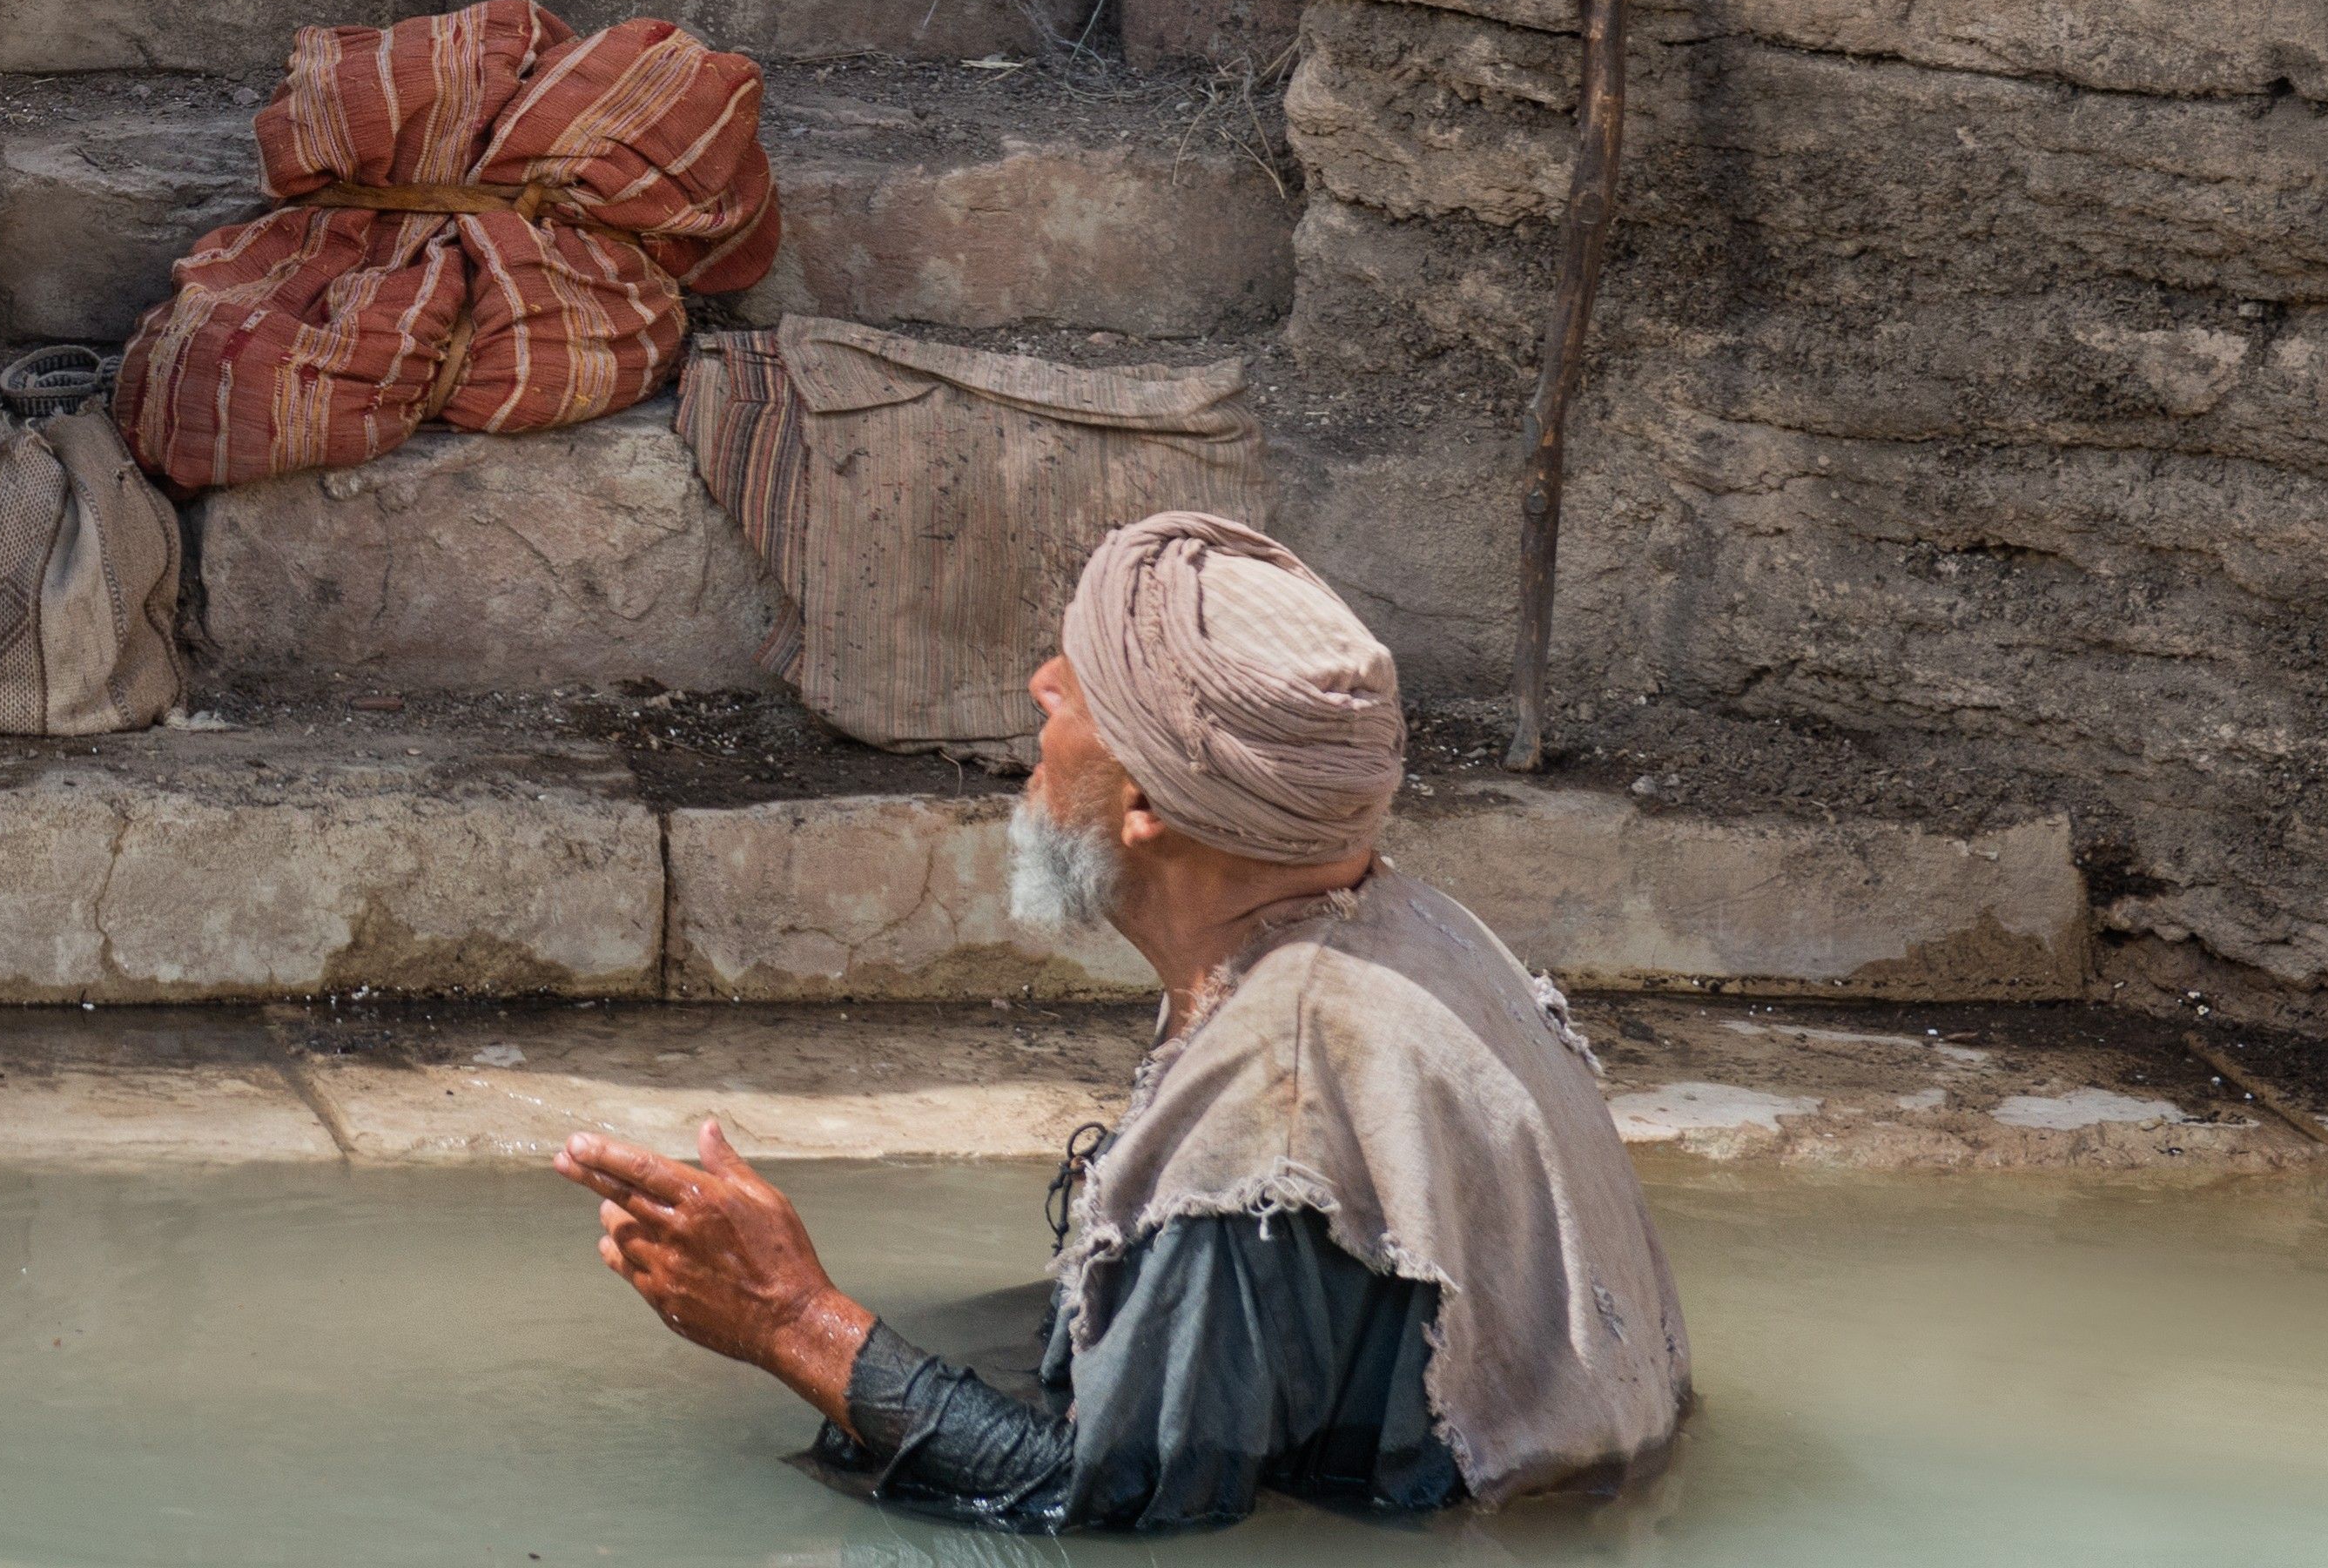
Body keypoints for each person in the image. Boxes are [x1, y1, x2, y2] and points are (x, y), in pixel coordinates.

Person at [565, 512, 1693, 1528]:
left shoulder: (1280, 1097)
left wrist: (790, 1321)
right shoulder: (1411, 928)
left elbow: (1112, 1513)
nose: (1042, 685)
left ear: (1149, 803)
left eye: (1082, 680)